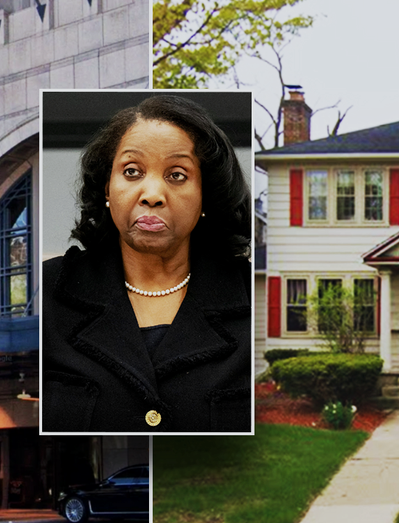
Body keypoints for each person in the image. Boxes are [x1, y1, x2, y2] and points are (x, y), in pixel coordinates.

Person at [42, 95, 252, 432]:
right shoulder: (48, 294)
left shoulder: (252, 297)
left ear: (206, 195)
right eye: (132, 172)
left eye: (177, 175)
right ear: (107, 188)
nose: (152, 194)